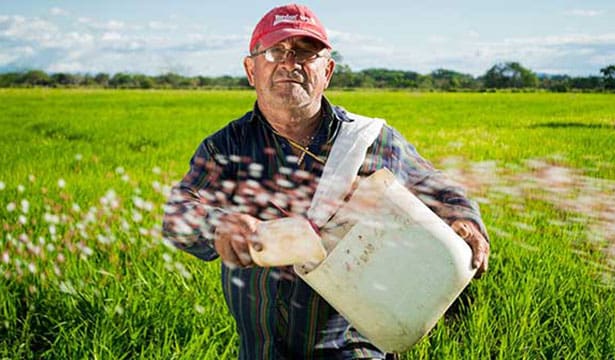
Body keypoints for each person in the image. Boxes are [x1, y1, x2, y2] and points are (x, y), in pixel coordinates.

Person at [162, 4, 490, 359]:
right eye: (275, 51)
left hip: (355, 346)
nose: (290, 63)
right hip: (262, 350)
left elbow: (439, 188)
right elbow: (177, 213)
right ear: (250, 70)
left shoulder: (370, 140)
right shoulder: (226, 147)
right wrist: (217, 224)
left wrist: (465, 220)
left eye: (305, 52)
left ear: (327, 71)